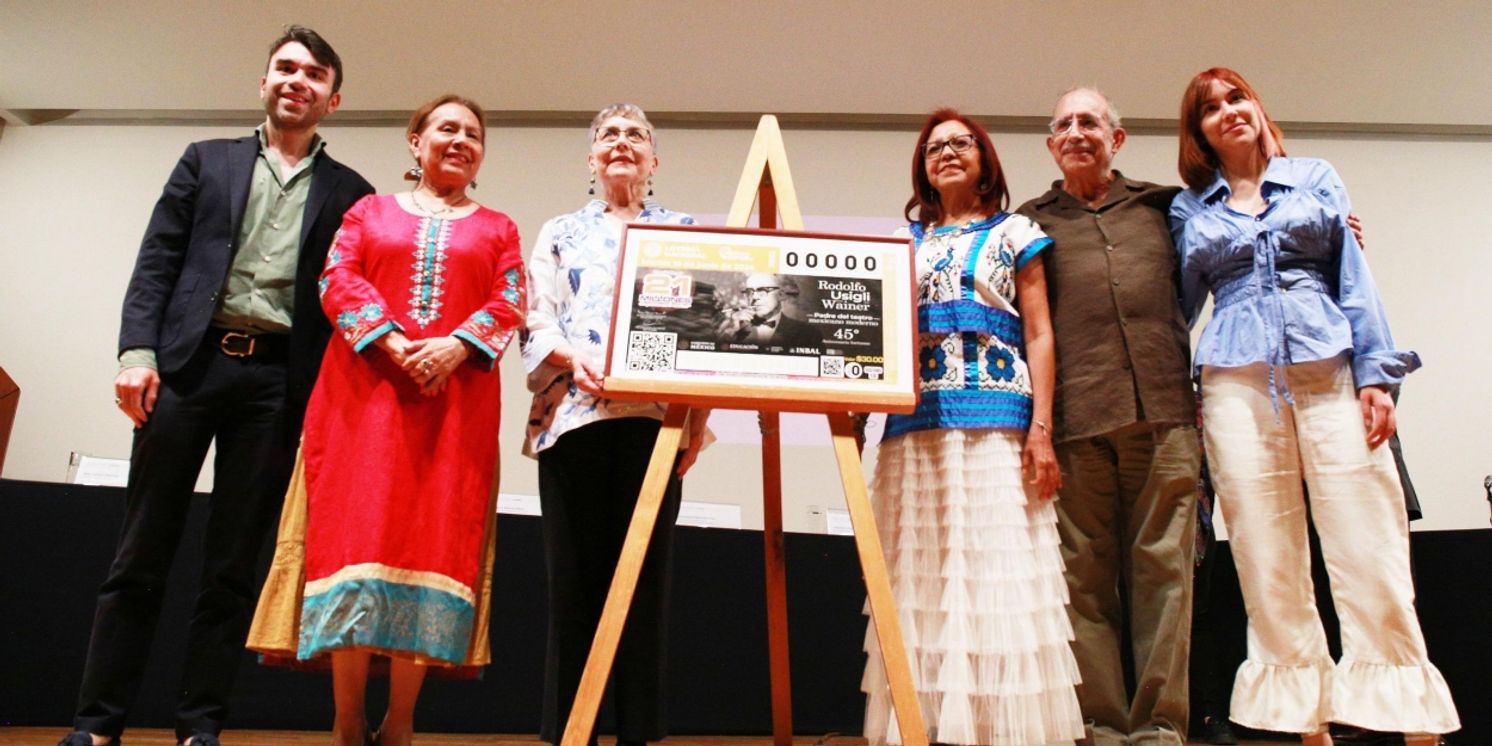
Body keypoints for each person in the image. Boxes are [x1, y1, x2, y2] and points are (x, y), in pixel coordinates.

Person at [62, 26, 374, 746]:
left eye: (314, 74)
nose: (297, 80)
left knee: (233, 567)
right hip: (188, 369)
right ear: (264, 82)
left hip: (276, 384)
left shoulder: (351, 193)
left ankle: (200, 727)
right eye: (285, 68)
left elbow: (345, 300)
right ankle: (97, 723)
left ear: (333, 97)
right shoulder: (205, 162)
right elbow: (156, 264)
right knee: (140, 555)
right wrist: (136, 355)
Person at [1168, 67, 1459, 745]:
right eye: (1210, 108)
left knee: (1368, 538)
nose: (1228, 111)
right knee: (1265, 547)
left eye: (1236, 97)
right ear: (1199, 133)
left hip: (1328, 368)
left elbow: (1355, 280)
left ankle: (1410, 711)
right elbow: (1176, 307)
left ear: (1258, 106)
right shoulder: (1191, 208)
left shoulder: (1317, 178)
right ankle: (1306, 721)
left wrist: (1376, 378)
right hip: (1235, 385)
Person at [248, 94, 525, 746]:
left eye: (473, 133)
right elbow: (337, 277)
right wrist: (393, 342)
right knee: (356, 544)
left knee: (428, 546)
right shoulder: (369, 212)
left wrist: (457, 346)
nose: (460, 140)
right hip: (362, 402)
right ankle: (346, 719)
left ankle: (400, 720)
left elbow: (510, 298)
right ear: (415, 140)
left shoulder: (500, 229)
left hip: (453, 410)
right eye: (447, 128)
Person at [860, 108, 1083, 746]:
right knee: (919, 581)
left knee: (996, 579)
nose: (948, 153)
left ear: (985, 159)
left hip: (998, 427)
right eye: (935, 148)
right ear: (922, 167)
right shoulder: (901, 243)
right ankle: (923, 726)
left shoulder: (1018, 232)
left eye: (961, 143)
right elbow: (874, 336)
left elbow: (1040, 332)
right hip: (914, 430)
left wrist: (1041, 429)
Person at [1015, 88, 1200, 746]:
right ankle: (1099, 728)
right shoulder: (1028, 224)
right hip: (1074, 424)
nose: (1076, 132)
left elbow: (1232, 244)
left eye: (1089, 121)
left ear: (1115, 139)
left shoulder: (1165, 207)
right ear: (1050, 145)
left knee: (1166, 578)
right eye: (1063, 123)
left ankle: (1159, 730)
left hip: (1166, 416)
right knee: (1083, 584)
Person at [521, 103, 709, 746]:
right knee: (571, 583)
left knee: (644, 582)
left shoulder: (684, 231)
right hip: (573, 421)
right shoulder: (560, 231)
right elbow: (537, 318)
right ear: (591, 157)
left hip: (656, 426)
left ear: (654, 161)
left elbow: (708, 333)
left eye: (636, 137)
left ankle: (636, 732)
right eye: (609, 136)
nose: (621, 144)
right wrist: (575, 359)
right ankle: (571, 733)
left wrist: (694, 425)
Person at [721, 273, 824, 348]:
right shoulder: (734, 330)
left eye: (763, 291)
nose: (754, 297)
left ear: (781, 295)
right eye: (750, 292)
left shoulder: (808, 333)